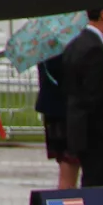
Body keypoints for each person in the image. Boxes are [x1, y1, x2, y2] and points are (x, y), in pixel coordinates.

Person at [61, 5, 103, 187]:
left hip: (78, 130)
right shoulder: (94, 49)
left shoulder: (75, 44)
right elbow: (93, 96)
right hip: (95, 135)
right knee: (97, 186)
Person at [35, 52, 74, 188]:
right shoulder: (59, 52)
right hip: (62, 110)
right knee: (68, 162)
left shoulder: (45, 48)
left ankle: (65, 203)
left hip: (53, 108)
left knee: (66, 163)